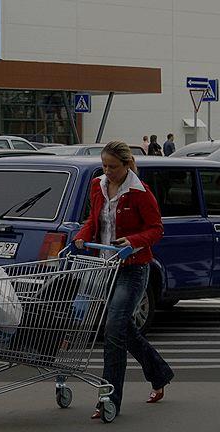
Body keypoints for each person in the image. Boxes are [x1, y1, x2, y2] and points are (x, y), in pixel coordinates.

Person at [74, 141, 174, 419]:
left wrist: (132, 241)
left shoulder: (139, 191)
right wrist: (81, 236)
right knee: (123, 330)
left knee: (113, 330)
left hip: (133, 269)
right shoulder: (98, 185)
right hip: (105, 267)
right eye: (104, 166)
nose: (107, 172)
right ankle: (159, 373)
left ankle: (109, 399)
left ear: (127, 164)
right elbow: (94, 221)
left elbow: (156, 229)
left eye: (113, 167)